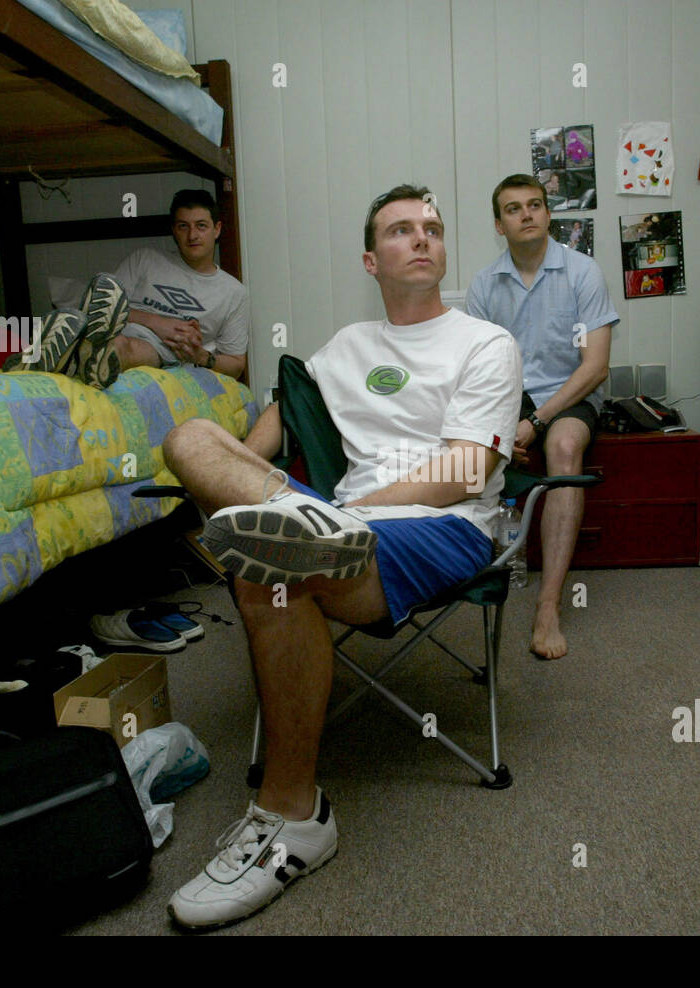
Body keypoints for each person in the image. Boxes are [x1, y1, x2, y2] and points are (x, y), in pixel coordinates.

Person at [160, 184, 522, 929]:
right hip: (329, 520)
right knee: (190, 438)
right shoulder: (345, 347)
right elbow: (271, 426)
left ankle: (293, 815)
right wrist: (229, 480)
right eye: (400, 230)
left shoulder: (486, 343)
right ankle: (287, 530)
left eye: (432, 228)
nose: (421, 238)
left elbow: (467, 471)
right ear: (371, 258)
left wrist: (340, 514)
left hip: (440, 524)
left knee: (276, 565)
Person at [466, 174, 619, 659]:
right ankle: (460, 570)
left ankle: (548, 604)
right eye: (513, 209)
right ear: (498, 224)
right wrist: (495, 424)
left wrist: (536, 421)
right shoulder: (484, 285)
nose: (527, 214)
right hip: (509, 396)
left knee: (563, 447)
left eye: (535, 205)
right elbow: (475, 370)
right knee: (469, 450)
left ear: (549, 214)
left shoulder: (582, 272)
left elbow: (595, 367)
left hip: (571, 392)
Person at [4, 188, 248, 388]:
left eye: (201, 226)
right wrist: (155, 321)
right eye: (183, 226)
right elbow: (105, 301)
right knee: (105, 313)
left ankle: (71, 356)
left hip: (162, 348)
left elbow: (236, 365)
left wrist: (199, 356)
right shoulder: (146, 259)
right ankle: (74, 350)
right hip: (118, 324)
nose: (192, 235)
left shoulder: (232, 292)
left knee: (124, 346)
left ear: (217, 229)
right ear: (174, 230)